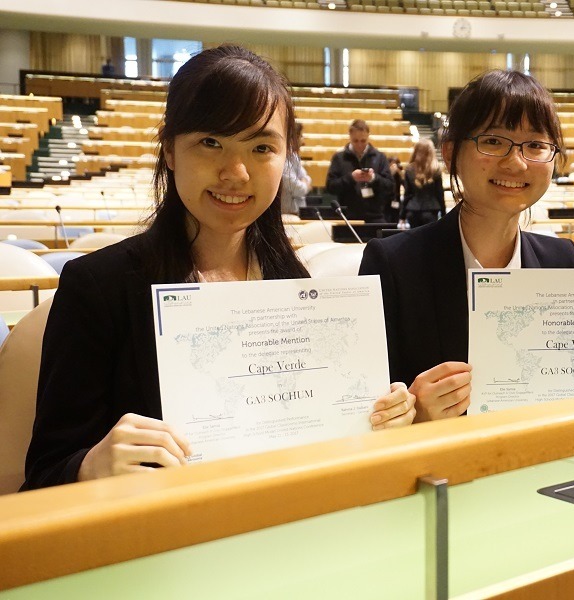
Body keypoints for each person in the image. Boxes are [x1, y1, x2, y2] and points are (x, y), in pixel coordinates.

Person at [22, 45, 415, 490]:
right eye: (211, 143)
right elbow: (42, 478)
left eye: (261, 147)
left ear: (285, 157)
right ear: (169, 150)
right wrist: (91, 466)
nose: (236, 172)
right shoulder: (97, 290)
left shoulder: (293, 287)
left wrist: (376, 418)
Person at [359, 70, 574, 423]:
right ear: (450, 153)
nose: (517, 162)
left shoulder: (560, 258)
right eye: (493, 141)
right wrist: (414, 414)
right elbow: (358, 405)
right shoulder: (393, 263)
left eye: (536, 145)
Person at [325, 119, 394, 223]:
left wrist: (373, 178)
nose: (359, 144)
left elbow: (390, 186)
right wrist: (351, 178)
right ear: (350, 137)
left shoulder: (380, 157)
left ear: (368, 137)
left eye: (363, 141)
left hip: (375, 216)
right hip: (348, 217)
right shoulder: (339, 158)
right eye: (355, 141)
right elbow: (330, 186)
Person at [399, 139, 445, 229]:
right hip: (430, 211)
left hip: (413, 210)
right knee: (429, 241)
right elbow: (439, 194)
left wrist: (402, 216)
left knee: (415, 241)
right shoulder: (436, 170)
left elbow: (407, 194)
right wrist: (443, 213)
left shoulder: (409, 169)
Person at [279, 122, 312, 215]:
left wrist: (304, 181)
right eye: (301, 136)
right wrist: (304, 183)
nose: (303, 139)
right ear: (293, 139)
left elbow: (307, 178)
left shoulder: (294, 157)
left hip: (298, 212)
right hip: (286, 214)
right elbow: (299, 189)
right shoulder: (283, 161)